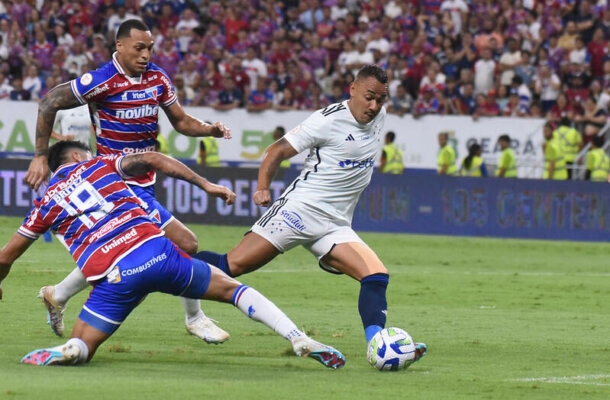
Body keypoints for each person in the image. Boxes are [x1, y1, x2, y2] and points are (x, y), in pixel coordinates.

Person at [0, 141, 345, 369]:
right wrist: (206, 184)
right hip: (157, 252)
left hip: (114, 277)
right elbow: (152, 159)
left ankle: (71, 350)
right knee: (234, 290)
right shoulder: (100, 166)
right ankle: (297, 337)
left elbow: (5, 257)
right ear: (77, 157)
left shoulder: (43, 206)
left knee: (84, 346)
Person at [192, 65, 427, 364]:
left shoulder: (378, 116)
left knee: (376, 276)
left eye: (381, 99)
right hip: (298, 212)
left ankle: (379, 346)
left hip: (336, 224)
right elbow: (275, 150)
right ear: (352, 88)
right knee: (232, 266)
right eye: (369, 97)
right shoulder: (326, 121)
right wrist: (263, 187)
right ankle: (166, 265)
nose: (374, 106)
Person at [23, 19, 231, 344]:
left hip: (144, 179)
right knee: (186, 243)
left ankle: (58, 294)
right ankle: (195, 318)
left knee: (120, 249)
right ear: (119, 46)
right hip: (115, 179)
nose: (146, 54)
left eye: (150, 48)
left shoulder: (157, 79)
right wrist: (39, 155)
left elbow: (180, 121)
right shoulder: (102, 80)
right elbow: (50, 101)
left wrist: (209, 129)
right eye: (139, 48)